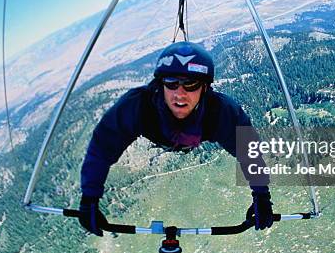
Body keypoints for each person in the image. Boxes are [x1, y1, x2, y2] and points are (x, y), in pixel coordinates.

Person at [79, 41, 273, 236]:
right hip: (159, 128)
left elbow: (250, 152)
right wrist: (89, 199)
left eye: (190, 84)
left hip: (198, 127)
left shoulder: (221, 112)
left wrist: (261, 195)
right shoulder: (138, 106)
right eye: (171, 83)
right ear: (160, 84)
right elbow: (101, 148)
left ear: (204, 88)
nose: (180, 94)